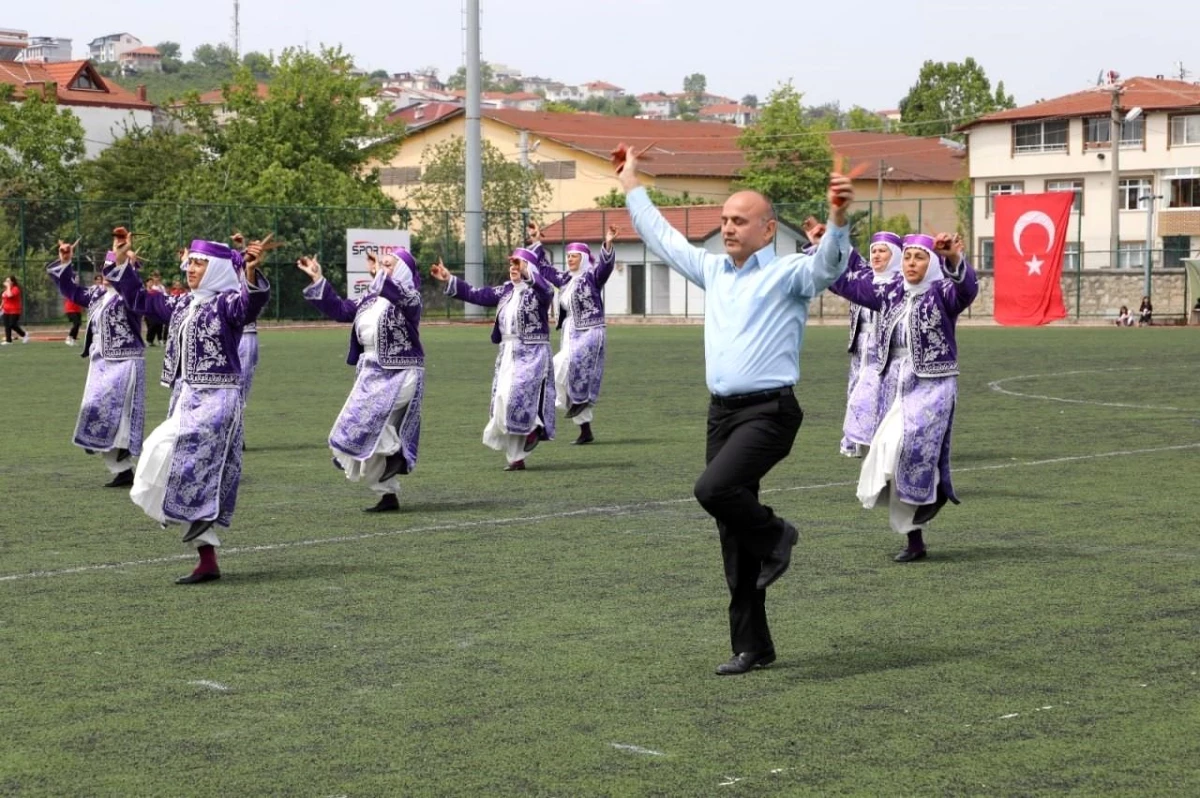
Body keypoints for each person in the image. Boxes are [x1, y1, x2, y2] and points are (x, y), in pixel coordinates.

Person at [616, 141, 854, 675]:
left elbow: (829, 268)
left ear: (768, 229)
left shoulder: (790, 272)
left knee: (713, 491)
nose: (728, 228)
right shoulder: (714, 270)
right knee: (730, 529)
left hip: (769, 413)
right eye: (724, 220)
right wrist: (632, 183)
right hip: (721, 413)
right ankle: (753, 645)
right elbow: (661, 238)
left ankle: (779, 534)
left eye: (740, 221)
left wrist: (838, 221)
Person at [108, 236, 263, 585]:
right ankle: (207, 560)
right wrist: (119, 263)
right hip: (186, 398)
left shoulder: (227, 304)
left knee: (170, 452)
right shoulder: (181, 304)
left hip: (218, 401)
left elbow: (248, 306)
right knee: (177, 465)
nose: (190, 269)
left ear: (218, 269)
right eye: (190, 263)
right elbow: (137, 298)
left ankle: (202, 530)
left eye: (199, 264)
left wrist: (250, 273)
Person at [828, 233, 978, 563]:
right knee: (888, 456)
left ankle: (934, 494)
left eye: (919, 257)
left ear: (932, 263)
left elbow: (967, 290)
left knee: (906, 447)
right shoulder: (893, 292)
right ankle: (915, 540)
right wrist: (822, 251)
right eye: (907, 257)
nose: (911, 263)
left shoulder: (943, 294)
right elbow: (850, 286)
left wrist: (954, 259)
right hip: (896, 382)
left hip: (933, 384)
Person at [301, 249, 425, 512]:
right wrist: (318, 280)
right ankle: (388, 495)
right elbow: (341, 309)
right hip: (369, 374)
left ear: (402, 270)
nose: (383, 269)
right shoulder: (369, 300)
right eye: (382, 265)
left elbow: (397, 293)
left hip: (401, 373)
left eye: (389, 266)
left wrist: (380, 276)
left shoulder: (411, 298)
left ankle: (396, 450)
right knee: (360, 433)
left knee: (369, 422)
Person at [431, 248, 556, 471]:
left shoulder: (539, 292)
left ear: (529, 268)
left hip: (532, 352)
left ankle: (534, 427)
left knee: (516, 395)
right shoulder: (506, 291)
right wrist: (449, 279)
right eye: (512, 265)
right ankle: (516, 458)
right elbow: (476, 294)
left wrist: (527, 271)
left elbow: (548, 291)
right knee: (501, 402)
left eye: (519, 265)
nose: (513, 268)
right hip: (507, 352)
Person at [47, 240, 146, 487]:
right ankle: (121, 468)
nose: (107, 270)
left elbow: (130, 285)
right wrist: (66, 262)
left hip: (125, 361)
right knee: (93, 409)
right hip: (100, 362)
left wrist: (127, 263)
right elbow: (71, 290)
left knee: (120, 413)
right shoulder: (98, 294)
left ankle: (124, 452)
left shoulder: (133, 296)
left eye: (115, 264)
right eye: (107, 265)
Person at [535, 223, 618, 445]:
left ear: (582, 258)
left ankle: (543, 419)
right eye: (568, 256)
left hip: (591, 331)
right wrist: (536, 242)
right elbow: (543, 268)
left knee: (559, 364)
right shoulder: (564, 279)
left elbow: (606, 268)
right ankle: (585, 430)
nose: (570, 259)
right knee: (566, 378)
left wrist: (608, 242)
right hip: (570, 331)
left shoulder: (592, 277)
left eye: (574, 256)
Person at [839, 232, 902, 457]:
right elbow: (849, 258)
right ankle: (855, 442)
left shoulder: (901, 283)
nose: (876, 255)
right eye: (873, 250)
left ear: (895, 255)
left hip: (883, 348)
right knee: (856, 389)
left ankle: (881, 441)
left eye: (882, 251)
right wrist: (824, 241)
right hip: (861, 345)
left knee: (878, 394)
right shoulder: (865, 276)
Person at [2, 275, 30, 345]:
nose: (7, 282)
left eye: (8, 281)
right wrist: (1, 306)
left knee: (12, 324)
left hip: (14, 310)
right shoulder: (6, 289)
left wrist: (8, 287)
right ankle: (8, 341)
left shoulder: (15, 289)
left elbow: (9, 295)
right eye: (6, 281)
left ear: (12, 282)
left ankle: (24, 335)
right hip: (6, 310)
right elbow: (4, 299)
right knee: (7, 325)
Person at [143, 272, 167, 346]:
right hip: (150, 310)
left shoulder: (161, 287)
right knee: (152, 325)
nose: (156, 279)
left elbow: (165, 296)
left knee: (159, 325)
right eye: (154, 277)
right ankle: (149, 340)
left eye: (157, 277)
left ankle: (159, 339)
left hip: (159, 309)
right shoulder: (151, 288)